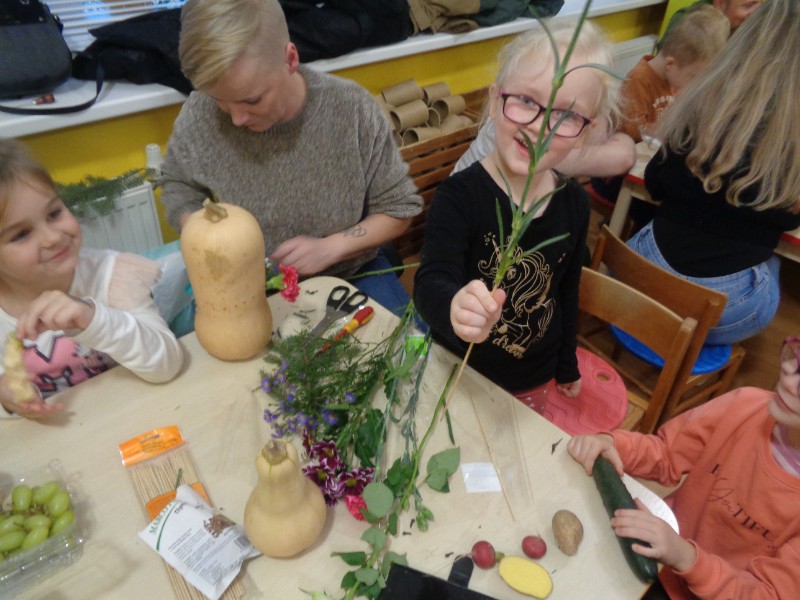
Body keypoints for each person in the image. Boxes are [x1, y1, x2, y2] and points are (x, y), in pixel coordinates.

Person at [159, 0, 422, 316]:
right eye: (220, 100)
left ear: (290, 59)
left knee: (407, 343)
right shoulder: (200, 113)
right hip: (254, 286)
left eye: (252, 100)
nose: (237, 119)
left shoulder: (351, 109)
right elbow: (178, 186)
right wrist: (207, 236)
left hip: (352, 273)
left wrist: (332, 247)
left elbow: (398, 209)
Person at [414, 19, 617, 403]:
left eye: (565, 115)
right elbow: (431, 281)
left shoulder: (575, 203)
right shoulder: (459, 195)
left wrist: (567, 363)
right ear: (495, 101)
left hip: (532, 378)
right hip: (458, 368)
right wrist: (454, 307)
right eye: (525, 100)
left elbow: (566, 290)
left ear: (584, 133)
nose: (540, 128)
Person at [567, 336, 800, 599]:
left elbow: (767, 594)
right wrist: (616, 445)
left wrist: (685, 557)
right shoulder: (744, 404)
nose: (789, 373)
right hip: (652, 551)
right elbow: (666, 453)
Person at [627, 0, 800, 345]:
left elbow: (655, 183)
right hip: (722, 308)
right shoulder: (789, 141)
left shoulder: (701, 99)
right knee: (773, 267)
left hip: (644, 272)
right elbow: (787, 219)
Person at [0, 139, 184, 420]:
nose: (53, 237)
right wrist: (8, 402)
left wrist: (93, 318)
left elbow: (167, 363)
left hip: (141, 418)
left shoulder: (113, 276)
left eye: (54, 213)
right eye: (21, 234)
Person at [617, 4, 730, 143]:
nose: (695, 84)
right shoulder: (638, 80)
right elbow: (632, 131)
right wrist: (671, 127)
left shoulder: (674, 78)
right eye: (693, 77)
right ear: (670, 64)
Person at [656, 0, 762, 51]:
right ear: (720, 3)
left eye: (760, 2)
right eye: (749, 5)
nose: (757, 11)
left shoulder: (750, 27)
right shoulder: (688, 24)